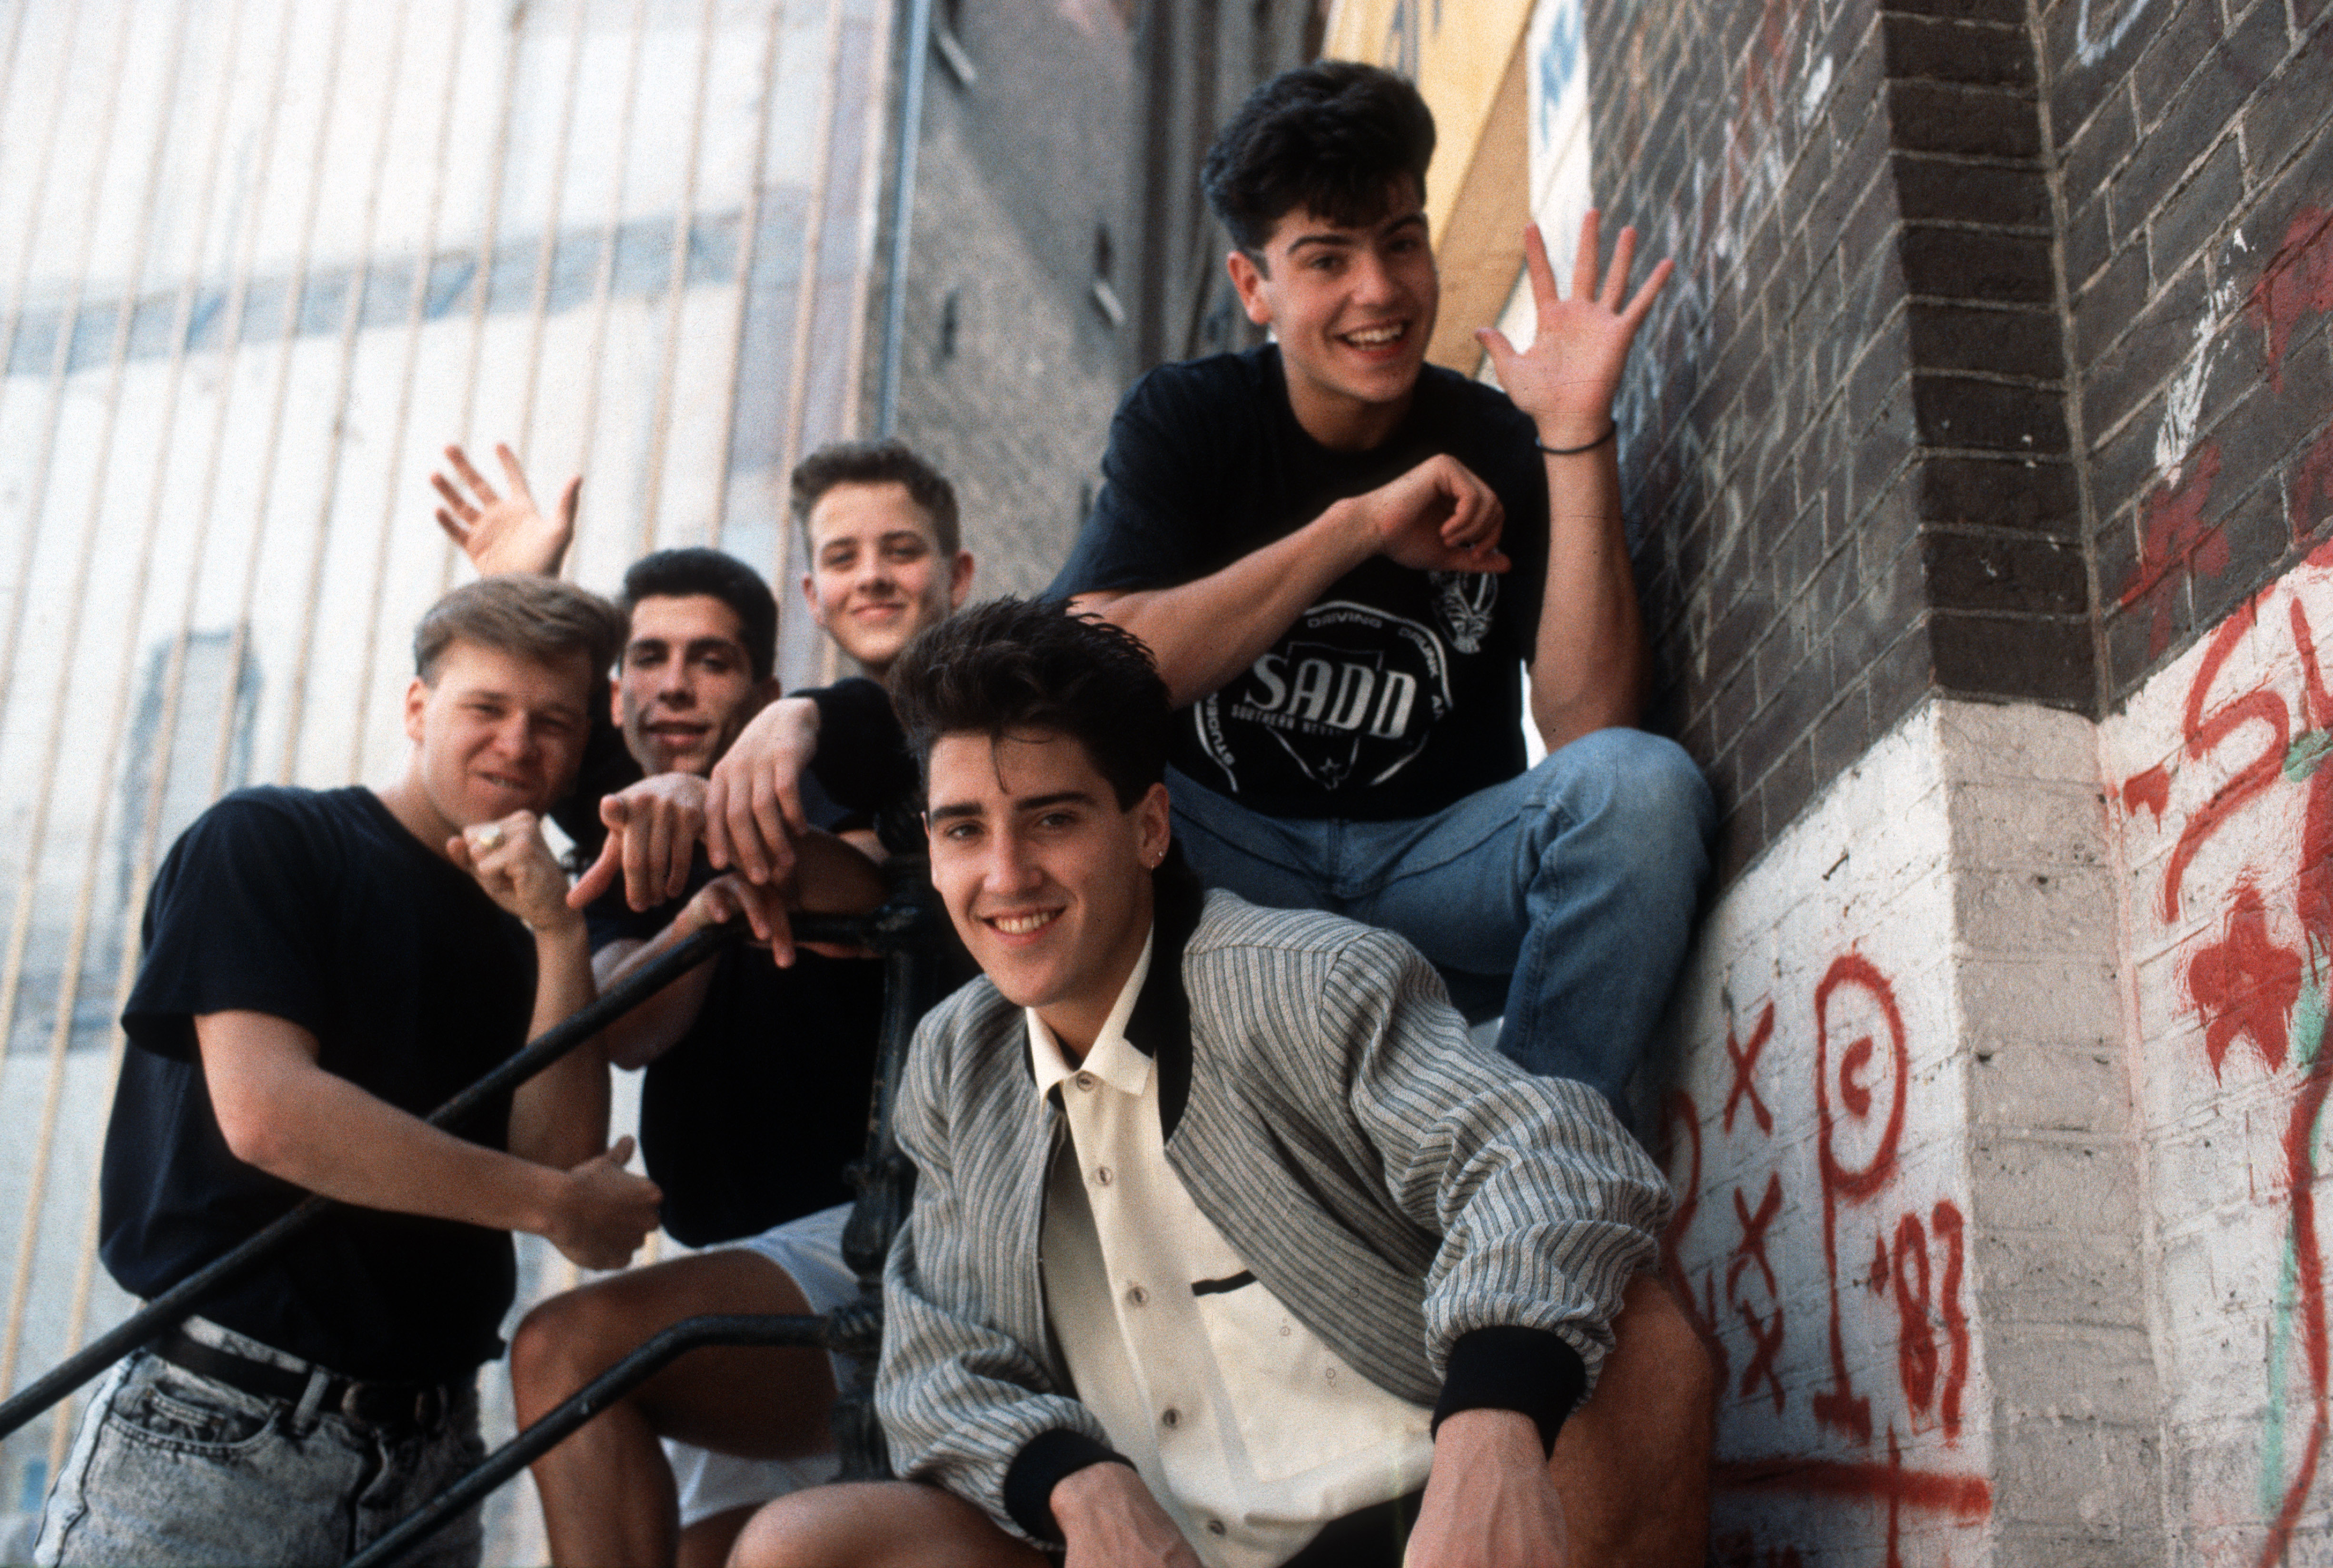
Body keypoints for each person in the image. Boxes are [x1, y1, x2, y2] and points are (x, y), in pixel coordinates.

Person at [729, 598, 1712, 1568]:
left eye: (1052, 818)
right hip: (1156, 1549)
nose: (1007, 873)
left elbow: (1548, 1154)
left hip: (1420, 1524)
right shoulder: (957, 1061)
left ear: (1149, 828)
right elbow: (933, 1358)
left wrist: (1490, 1431)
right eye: (962, 831)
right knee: (801, 1548)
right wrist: (1079, 1484)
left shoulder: (1302, 981)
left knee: (1641, 1350)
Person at [1046, 62, 1713, 1129]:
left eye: (1401, 243)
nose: (1379, 291)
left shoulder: (1495, 438)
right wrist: (1355, 527)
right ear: (1253, 286)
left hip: (1433, 871)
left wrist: (1573, 436)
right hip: (1228, 870)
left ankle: (1536, 1151)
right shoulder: (1188, 419)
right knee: (1052, 780)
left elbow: (1593, 733)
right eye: (1327, 259)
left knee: (1643, 787)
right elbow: (1095, 665)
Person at [36, 576, 660, 1568]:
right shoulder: (271, 840)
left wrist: (556, 931)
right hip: (222, 1432)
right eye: (486, 708)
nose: (517, 744)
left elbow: (557, 1161)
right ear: (418, 709)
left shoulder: (530, 927)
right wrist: (550, 1204)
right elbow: (271, 1115)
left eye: (552, 722)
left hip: (433, 1452)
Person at [430, 442, 969, 1568]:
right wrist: (526, 583)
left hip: (881, 1246)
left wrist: (739, 824)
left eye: (712, 662)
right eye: (650, 660)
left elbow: (860, 844)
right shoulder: (621, 837)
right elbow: (629, 1023)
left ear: (768, 699)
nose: (676, 684)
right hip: (728, 1264)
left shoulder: (849, 773)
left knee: (566, 1349)